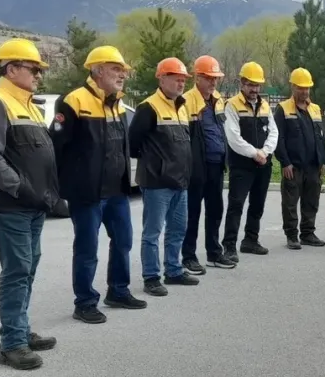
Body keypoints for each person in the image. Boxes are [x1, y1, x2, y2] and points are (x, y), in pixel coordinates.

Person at [0, 38, 59, 370]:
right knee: (17, 269)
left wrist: (48, 194)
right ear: (11, 69)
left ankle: (19, 330)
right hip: (10, 204)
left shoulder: (28, 104)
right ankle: (12, 344)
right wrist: (22, 189)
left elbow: (42, 155)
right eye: (34, 69)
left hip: (32, 203)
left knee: (28, 266)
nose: (38, 75)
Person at [50, 45, 146, 325]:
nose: (122, 75)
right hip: (87, 194)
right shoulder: (73, 101)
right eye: (117, 69)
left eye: (123, 71)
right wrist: (58, 187)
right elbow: (55, 146)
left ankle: (118, 291)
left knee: (124, 242)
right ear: (98, 70)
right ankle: (85, 302)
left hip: (116, 192)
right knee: (87, 249)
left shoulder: (116, 102)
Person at [129, 57, 199, 297]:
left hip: (180, 182)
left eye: (183, 80)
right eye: (176, 79)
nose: (181, 84)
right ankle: (151, 277)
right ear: (162, 78)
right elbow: (133, 144)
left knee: (178, 229)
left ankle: (174, 270)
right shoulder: (148, 108)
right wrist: (157, 166)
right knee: (152, 233)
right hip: (158, 183)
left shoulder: (181, 106)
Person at [180, 55, 235, 275]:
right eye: (209, 78)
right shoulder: (187, 101)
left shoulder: (218, 99)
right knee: (192, 212)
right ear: (198, 77)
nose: (213, 82)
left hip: (216, 164)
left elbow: (221, 131)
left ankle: (214, 253)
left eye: (216, 78)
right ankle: (189, 256)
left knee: (215, 210)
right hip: (196, 167)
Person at [221, 62, 278, 261]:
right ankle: (229, 246)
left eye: (257, 85)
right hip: (241, 165)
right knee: (236, 205)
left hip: (263, 164)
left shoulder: (264, 106)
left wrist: (266, 152)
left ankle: (250, 241)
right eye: (250, 84)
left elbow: (274, 132)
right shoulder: (232, 105)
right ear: (242, 83)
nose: (254, 89)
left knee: (257, 204)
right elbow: (233, 138)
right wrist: (255, 153)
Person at [273, 67, 325, 250]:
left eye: (307, 88)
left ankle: (308, 233)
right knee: (290, 202)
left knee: (311, 200)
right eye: (300, 88)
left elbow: (321, 136)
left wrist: (324, 161)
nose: (304, 91)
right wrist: (285, 162)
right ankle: (292, 235)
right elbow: (278, 138)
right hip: (293, 166)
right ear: (292, 87)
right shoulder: (283, 109)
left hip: (313, 165)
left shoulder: (315, 109)